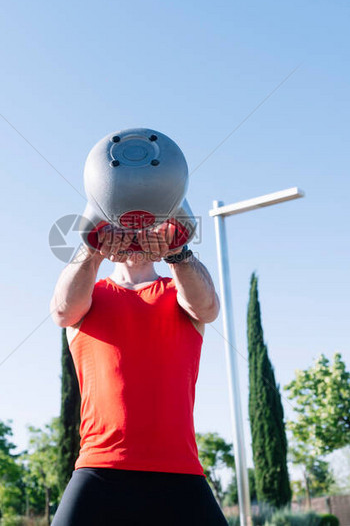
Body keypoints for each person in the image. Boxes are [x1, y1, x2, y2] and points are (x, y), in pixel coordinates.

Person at [49, 224, 229, 526]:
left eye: (145, 225)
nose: (134, 235)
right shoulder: (88, 296)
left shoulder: (181, 292)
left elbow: (208, 308)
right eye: (125, 225)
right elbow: (61, 311)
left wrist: (177, 252)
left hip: (179, 472)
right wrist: (93, 249)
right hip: (100, 468)